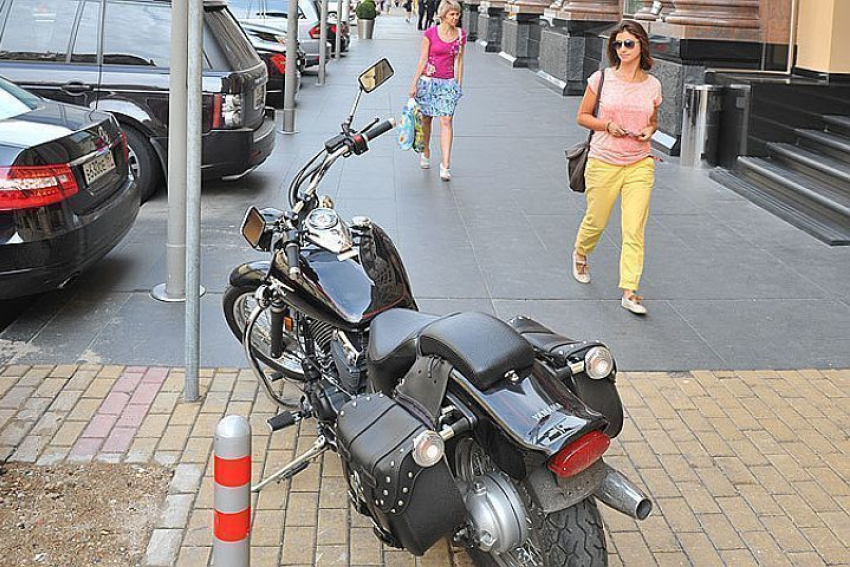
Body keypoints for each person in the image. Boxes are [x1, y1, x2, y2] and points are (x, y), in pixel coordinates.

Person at [572, 20, 661, 315]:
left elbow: (652, 121)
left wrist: (650, 131)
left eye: (628, 44)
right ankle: (581, 251)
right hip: (603, 161)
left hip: (640, 163)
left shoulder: (653, 85)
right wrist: (607, 125)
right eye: (618, 44)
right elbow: (582, 116)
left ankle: (630, 290)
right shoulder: (602, 79)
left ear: (641, 46)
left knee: (634, 229)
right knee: (596, 220)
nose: (622, 49)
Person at [408, 0, 465, 181]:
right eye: (452, 14)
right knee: (426, 119)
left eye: (457, 14)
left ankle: (445, 165)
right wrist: (414, 83)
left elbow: (460, 61)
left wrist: (458, 85)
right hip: (429, 82)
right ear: (443, 15)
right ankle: (425, 151)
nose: (455, 17)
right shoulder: (430, 34)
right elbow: (423, 59)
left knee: (447, 120)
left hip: (448, 83)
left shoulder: (460, 35)